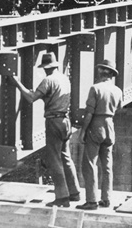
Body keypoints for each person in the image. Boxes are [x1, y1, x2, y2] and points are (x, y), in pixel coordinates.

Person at [8, 53, 81, 207]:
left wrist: (17, 84)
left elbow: (31, 98)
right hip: (65, 121)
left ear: (46, 68)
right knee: (66, 157)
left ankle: (61, 197)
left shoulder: (48, 80)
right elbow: (55, 97)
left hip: (54, 121)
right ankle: (74, 192)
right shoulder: (64, 78)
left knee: (54, 159)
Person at [76, 60, 122, 210]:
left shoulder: (95, 88)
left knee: (90, 164)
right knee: (107, 165)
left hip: (96, 126)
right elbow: (119, 108)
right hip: (110, 126)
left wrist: (83, 131)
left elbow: (89, 112)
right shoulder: (117, 90)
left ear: (102, 72)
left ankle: (91, 201)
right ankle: (106, 199)